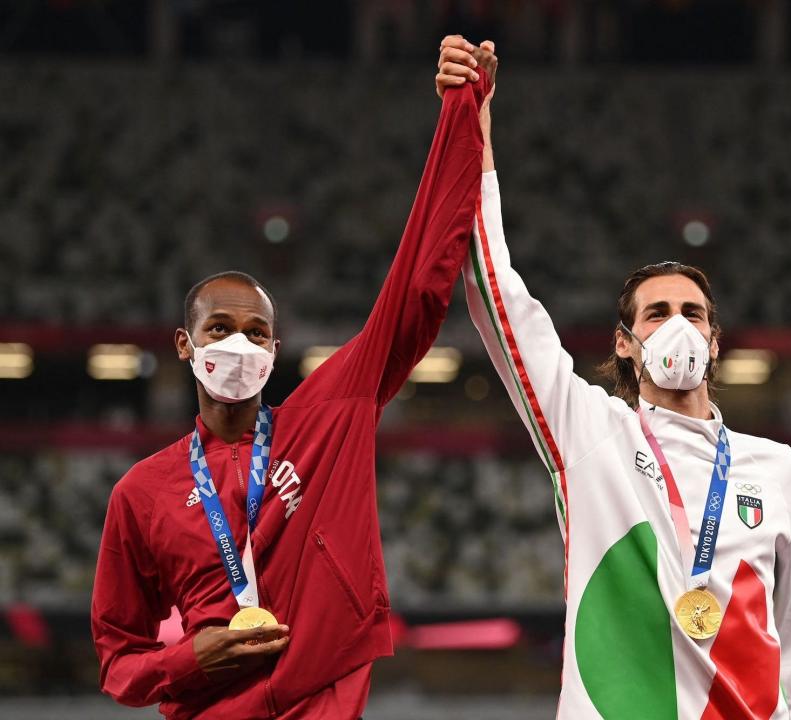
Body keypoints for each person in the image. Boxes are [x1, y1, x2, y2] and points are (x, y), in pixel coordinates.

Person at [91, 52, 495, 720]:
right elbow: (119, 663)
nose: (238, 344)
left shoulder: (329, 415)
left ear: (275, 353)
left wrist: (462, 114)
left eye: (256, 333)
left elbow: (420, 284)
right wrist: (192, 658)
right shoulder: (141, 494)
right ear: (184, 345)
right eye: (218, 328)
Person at [436, 38, 791, 719]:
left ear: (713, 339)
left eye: (692, 313)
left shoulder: (776, 466)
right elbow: (499, 299)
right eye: (657, 313)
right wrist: (476, 129)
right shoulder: (590, 432)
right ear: (626, 342)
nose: (677, 325)